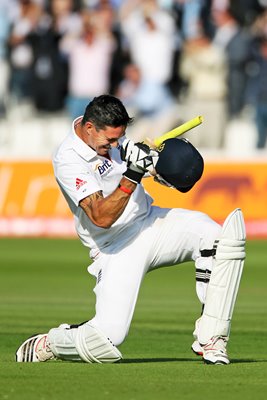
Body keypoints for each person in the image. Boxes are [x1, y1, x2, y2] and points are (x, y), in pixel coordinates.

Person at [16, 94, 246, 365]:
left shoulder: (112, 137)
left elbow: (166, 178)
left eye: (119, 138)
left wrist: (160, 164)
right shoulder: (68, 159)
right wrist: (133, 174)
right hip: (114, 247)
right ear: (89, 128)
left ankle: (212, 339)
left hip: (151, 222)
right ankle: (52, 342)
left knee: (219, 238)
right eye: (110, 141)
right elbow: (101, 217)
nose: (115, 145)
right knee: (104, 340)